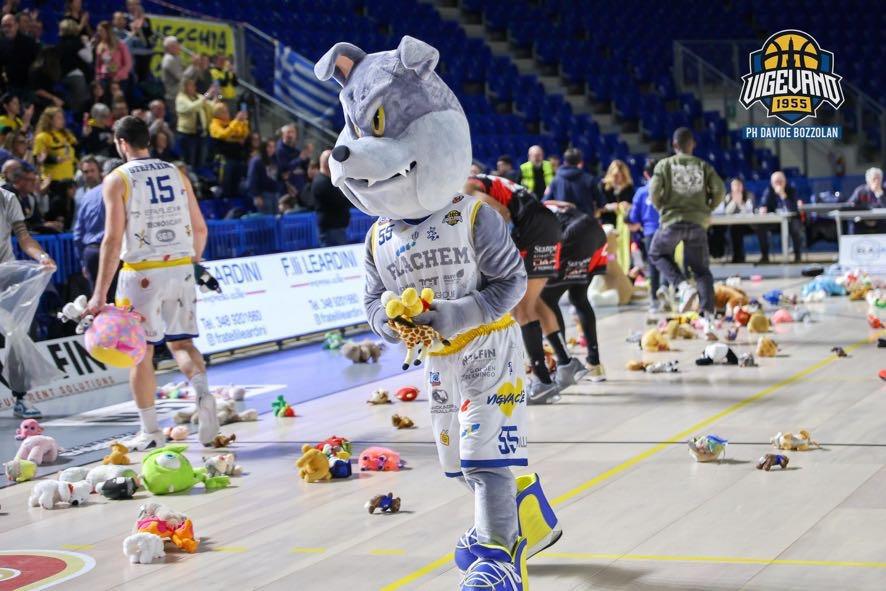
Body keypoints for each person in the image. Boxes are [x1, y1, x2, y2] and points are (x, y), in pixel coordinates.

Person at [85, 115, 217, 450]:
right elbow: (200, 228)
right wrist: (195, 265)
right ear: (150, 139)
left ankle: (151, 432)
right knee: (183, 345)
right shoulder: (178, 173)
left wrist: (99, 294)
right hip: (182, 267)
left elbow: (113, 240)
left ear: (121, 143)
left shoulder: (117, 179)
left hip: (141, 273)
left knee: (141, 354)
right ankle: (203, 394)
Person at [464, 173, 565, 403]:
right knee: (534, 305)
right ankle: (564, 363)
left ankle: (544, 382)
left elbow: (500, 212)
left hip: (531, 229)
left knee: (521, 309)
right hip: (548, 225)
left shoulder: (467, 186)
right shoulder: (488, 180)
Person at [648, 127, 724, 336]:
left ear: (674, 145)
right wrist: (707, 208)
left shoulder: (664, 165)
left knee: (656, 252)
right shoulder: (703, 165)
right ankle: (708, 319)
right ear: (692, 145)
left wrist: (662, 207)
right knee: (701, 271)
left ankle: (682, 286)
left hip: (672, 221)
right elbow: (720, 190)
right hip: (697, 223)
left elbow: (653, 191)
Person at [0, 166, 55, 418]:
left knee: (16, 338)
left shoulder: (7, 198)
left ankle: (20, 399)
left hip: (6, 278)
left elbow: (23, 237)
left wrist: (42, 257)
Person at [539, 203, 608, 382]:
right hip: (597, 232)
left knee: (545, 299)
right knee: (579, 297)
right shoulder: (547, 205)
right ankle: (595, 364)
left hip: (575, 234)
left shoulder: (525, 214)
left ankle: (565, 363)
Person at [627, 158, 663, 311]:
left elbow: (634, 218)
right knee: (668, 264)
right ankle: (669, 293)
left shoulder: (641, 192)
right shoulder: (667, 190)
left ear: (645, 174)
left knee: (654, 267)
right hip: (668, 231)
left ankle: (655, 300)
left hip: (650, 233)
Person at [33, 106, 78, 211]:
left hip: (69, 178)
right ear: (49, 120)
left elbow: (76, 149)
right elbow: (38, 157)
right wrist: (54, 159)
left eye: (62, 117)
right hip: (53, 181)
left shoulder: (67, 135)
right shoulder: (42, 137)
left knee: (69, 210)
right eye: (59, 118)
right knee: (55, 211)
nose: (63, 120)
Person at [759, 170, 804, 261]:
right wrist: (763, 208)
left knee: (795, 227)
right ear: (772, 183)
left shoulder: (791, 190)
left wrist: (783, 195)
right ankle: (765, 256)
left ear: (785, 181)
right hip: (775, 222)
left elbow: (793, 209)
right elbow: (763, 204)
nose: (778, 184)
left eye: (780, 181)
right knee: (761, 227)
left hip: (790, 221)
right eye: (776, 182)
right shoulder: (769, 191)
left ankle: (797, 255)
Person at [208, 101, 249, 199]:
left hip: (237, 158)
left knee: (236, 184)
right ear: (218, 113)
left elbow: (244, 134)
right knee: (226, 185)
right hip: (225, 160)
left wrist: (243, 122)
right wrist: (236, 121)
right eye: (224, 112)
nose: (227, 114)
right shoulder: (214, 125)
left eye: (227, 111)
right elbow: (223, 134)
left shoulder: (230, 123)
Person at [544, 147, 600, 217]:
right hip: (585, 223)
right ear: (581, 163)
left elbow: (545, 202)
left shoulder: (555, 180)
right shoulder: (589, 179)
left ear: (564, 162)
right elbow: (601, 203)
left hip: (563, 223)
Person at [312, 149, 351, 246]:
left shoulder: (329, 180)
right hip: (331, 229)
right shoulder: (321, 182)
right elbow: (340, 201)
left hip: (336, 227)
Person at [175, 78, 213, 169]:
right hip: (187, 135)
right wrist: (207, 95)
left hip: (200, 134)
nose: (194, 87)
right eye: (191, 85)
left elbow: (207, 102)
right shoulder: (181, 98)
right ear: (185, 87)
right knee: (189, 163)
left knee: (200, 161)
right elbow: (192, 107)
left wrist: (213, 96)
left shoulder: (197, 96)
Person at [0, 13, 39, 94]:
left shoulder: (29, 42)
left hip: (27, 85)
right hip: (8, 86)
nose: (6, 29)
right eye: (4, 26)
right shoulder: (1, 43)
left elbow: (36, 64)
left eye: (9, 25)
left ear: (16, 26)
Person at [94, 20, 132, 88]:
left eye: (101, 31)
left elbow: (128, 64)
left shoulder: (120, 45)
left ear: (108, 32)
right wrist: (98, 76)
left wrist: (118, 76)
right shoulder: (100, 46)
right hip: (105, 79)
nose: (99, 33)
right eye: (98, 31)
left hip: (120, 80)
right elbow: (99, 65)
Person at [847, 167, 886, 233]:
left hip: (880, 222)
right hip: (863, 222)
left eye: (879, 178)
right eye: (874, 179)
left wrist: (880, 195)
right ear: (868, 180)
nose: (877, 181)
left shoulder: (884, 190)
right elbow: (850, 206)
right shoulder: (861, 191)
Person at [124, 0, 154, 82]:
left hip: (145, 53)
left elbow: (149, 35)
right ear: (127, 6)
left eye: (137, 4)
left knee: (144, 78)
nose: (135, 7)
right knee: (133, 77)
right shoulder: (125, 19)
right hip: (132, 53)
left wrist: (142, 22)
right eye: (132, 5)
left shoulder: (146, 20)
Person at [247, 138, 279, 214]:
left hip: (274, 194)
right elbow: (252, 179)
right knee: (267, 220)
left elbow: (275, 176)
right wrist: (256, 196)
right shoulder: (256, 161)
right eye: (269, 147)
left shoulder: (273, 160)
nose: (271, 149)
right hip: (263, 195)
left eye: (273, 147)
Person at [597, 159, 634, 226]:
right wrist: (609, 207)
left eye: (622, 176)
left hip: (624, 222)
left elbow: (634, 206)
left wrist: (628, 205)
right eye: (616, 176)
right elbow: (598, 207)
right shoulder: (603, 186)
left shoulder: (629, 187)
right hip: (607, 222)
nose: (619, 179)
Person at [275, 123, 311, 192]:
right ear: (282, 134)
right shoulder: (279, 149)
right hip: (286, 189)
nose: (291, 135)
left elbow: (303, 165)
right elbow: (284, 170)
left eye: (293, 132)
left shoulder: (295, 146)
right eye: (288, 132)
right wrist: (300, 159)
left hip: (300, 186)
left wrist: (307, 156)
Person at [161, 36, 183, 109]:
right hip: (173, 95)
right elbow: (180, 78)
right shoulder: (169, 59)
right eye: (176, 45)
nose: (179, 47)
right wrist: (193, 66)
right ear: (169, 47)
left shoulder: (176, 57)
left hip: (178, 94)